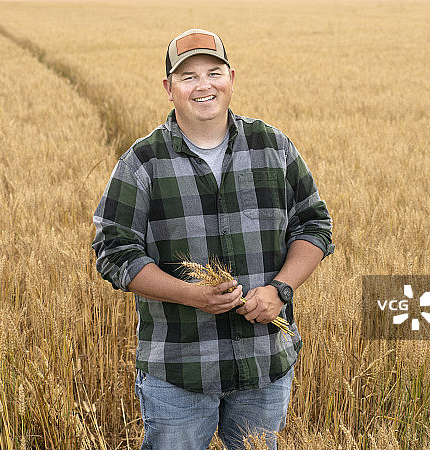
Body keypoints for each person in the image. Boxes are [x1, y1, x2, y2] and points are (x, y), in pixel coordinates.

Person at [92, 28, 334, 450]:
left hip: (264, 363)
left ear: (231, 77)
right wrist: (192, 295)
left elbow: (314, 225)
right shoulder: (142, 162)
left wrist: (281, 289)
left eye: (213, 72)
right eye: (188, 77)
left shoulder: (272, 147)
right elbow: (114, 252)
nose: (203, 85)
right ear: (169, 88)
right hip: (179, 371)